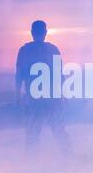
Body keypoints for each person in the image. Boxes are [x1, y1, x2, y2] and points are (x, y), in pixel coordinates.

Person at [15, 20, 70, 148]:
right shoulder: (53, 49)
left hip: (33, 99)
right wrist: (62, 94)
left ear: (32, 32)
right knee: (59, 131)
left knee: (32, 134)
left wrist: (17, 96)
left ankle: (32, 161)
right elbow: (59, 75)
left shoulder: (24, 50)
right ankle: (68, 157)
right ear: (45, 32)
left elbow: (19, 76)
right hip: (52, 98)